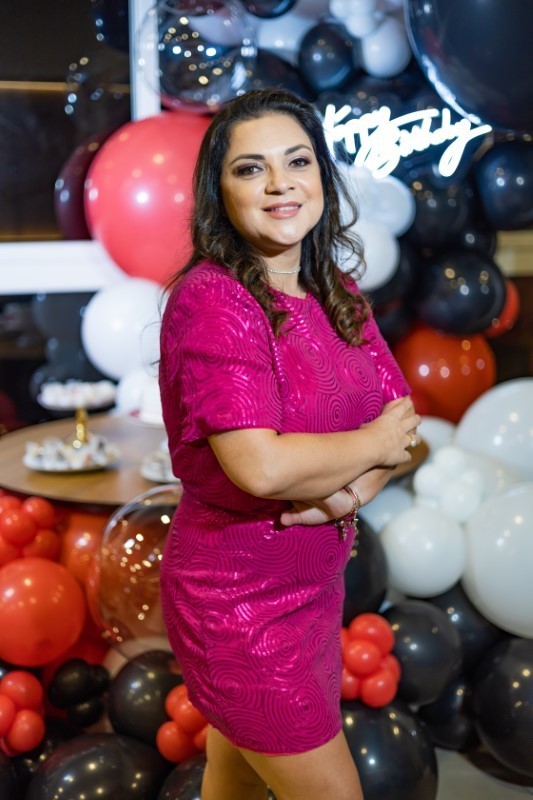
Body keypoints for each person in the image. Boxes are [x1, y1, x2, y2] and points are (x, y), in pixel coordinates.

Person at [159, 88, 420, 800]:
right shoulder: (216, 299)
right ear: (219, 194)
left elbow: (404, 427)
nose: (280, 183)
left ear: (322, 177)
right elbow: (262, 465)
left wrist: (345, 495)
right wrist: (368, 443)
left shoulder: (333, 291)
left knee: (234, 783)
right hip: (239, 603)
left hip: (313, 591)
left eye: (297, 161)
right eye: (251, 169)